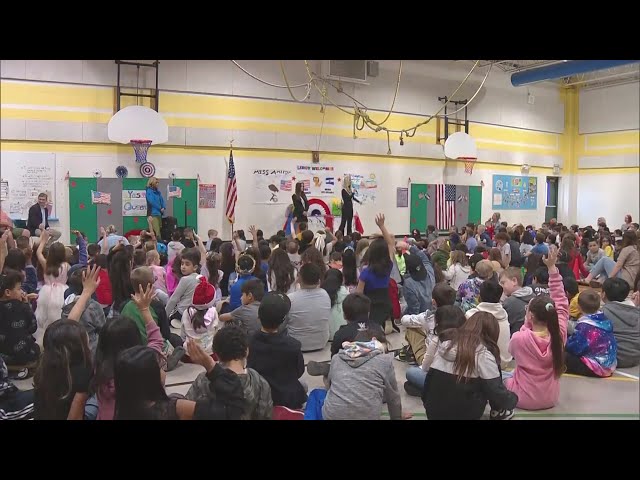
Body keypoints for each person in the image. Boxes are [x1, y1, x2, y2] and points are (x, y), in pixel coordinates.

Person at [113, 340, 245, 420]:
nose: (164, 370)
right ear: (149, 379)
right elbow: (231, 411)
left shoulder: (121, 411)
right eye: (159, 367)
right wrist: (211, 366)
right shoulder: (175, 408)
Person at [422, 311, 518, 420]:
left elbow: (428, 381)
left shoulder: (446, 345)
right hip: (465, 414)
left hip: (432, 412)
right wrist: (514, 399)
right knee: (488, 383)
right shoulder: (483, 354)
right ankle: (498, 412)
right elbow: (497, 392)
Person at [505, 245, 567, 410]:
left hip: (522, 398)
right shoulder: (559, 335)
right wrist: (552, 269)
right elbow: (561, 303)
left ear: (530, 316)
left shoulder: (519, 338)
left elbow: (510, 353)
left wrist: (526, 325)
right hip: (550, 399)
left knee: (502, 376)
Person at [186, 325, 272, 420]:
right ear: (247, 351)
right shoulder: (259, 381)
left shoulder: (204, 379)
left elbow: (188, 410)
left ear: (216, 354)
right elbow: (266, 415)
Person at [322, 329, 406, 420]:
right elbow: (393, 397)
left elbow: (331, 387)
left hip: (333, 416)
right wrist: (397, 417)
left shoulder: (337, 357)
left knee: (320, 392)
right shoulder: (384, 361)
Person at [247, 292, 307, 409]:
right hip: (287, 398)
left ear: (258, 316)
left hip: (259, 397)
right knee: (303, 385)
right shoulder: (293, 345)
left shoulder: (249, 343)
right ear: (283, 320)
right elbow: (299, 371)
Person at [404, 305, 465, 396]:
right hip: (464, 387)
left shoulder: (436, 340)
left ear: (438, 323)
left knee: (411, 373)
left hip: (439, 385)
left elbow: (425, 367)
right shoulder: (472, 341)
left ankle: (433, 392)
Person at [565, 289, 617, 377]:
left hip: (596, 367)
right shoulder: (606, 320)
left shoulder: (585, 326)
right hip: (609, 365)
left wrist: (565, 342)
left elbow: (575, 348)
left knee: (561, 356)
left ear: (579, 307)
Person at [283, 263, 331, 352]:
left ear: (299, 278)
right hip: (321, 342)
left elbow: (284, 323)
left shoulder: (291, 298)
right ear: (318, 280)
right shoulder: (325, 295)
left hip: (297, 343)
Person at [465, 280, 512, 368]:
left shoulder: (470, 315)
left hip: (481, 366)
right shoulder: (504, 316)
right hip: (504, 363)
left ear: (480, 296)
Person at [34, 230, 69, 346]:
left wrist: (43, 240)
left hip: (46, 293)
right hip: (62, 293)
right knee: (60, 318)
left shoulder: (46, 264)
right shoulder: (66, 266)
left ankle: (44, 343)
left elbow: (38, 253)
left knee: (43, 320)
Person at [0, 270, 40, 369]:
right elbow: (33, 327)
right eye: (19, 289)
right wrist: (27, 304)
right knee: (38, 348)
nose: (22, 292)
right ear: (8, 292)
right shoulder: (23, 307)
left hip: (3, 356)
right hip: (23, 356)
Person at [601, 277, 640, 367]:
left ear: (603, 294)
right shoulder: (636, 311)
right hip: (635, 358)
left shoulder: (603, 312)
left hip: (613, 357)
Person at [500, 266, 535, 336]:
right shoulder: (535, 298)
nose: (501, 286)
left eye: (503, 283)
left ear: (514, 281)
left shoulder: (508, 303)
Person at [322, 268, 348, 340]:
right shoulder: (345, 293)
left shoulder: (321, 294)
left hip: (324, 336)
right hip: (343, 335)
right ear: (342, 280)